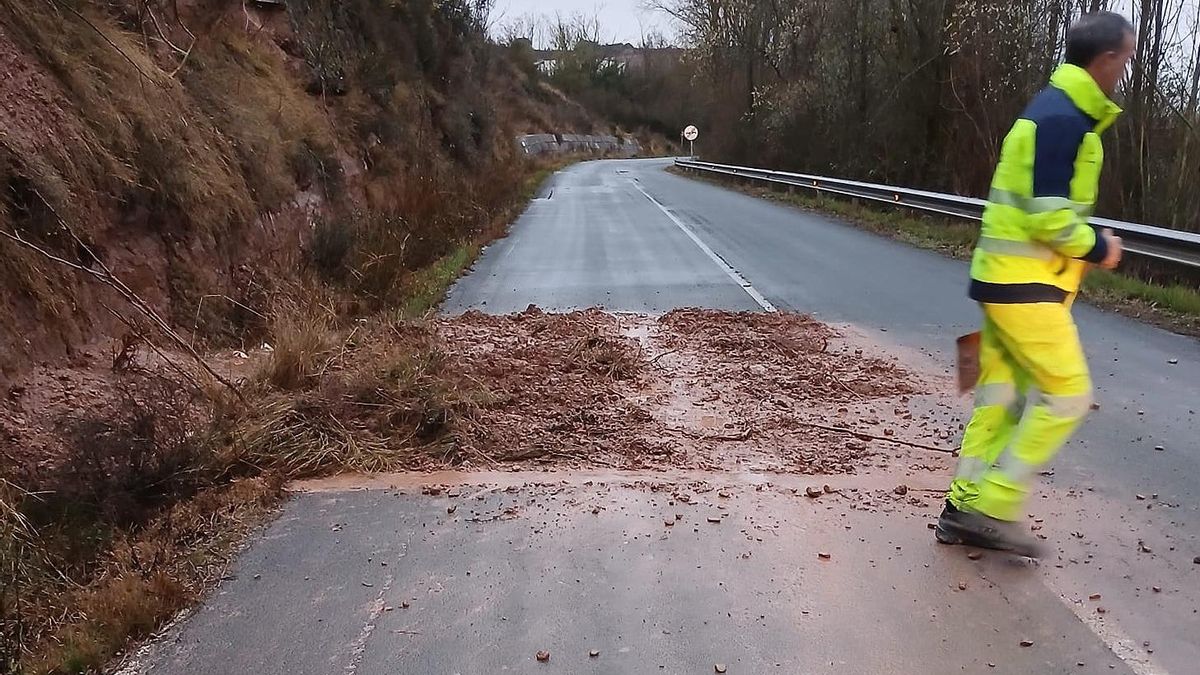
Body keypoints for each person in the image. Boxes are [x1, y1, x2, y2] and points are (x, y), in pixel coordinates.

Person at [935, 12, 1134, 556]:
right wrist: (1100, 247)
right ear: (1106, 60)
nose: (1125, 71)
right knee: (1068, 395)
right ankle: (994, 506)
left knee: (999, 400)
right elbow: (1048, 216)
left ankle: (962, 507)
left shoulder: (1050, 110)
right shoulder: (1064, 120)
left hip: (1002, 282)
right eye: (1124, 59)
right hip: (1027, 286)